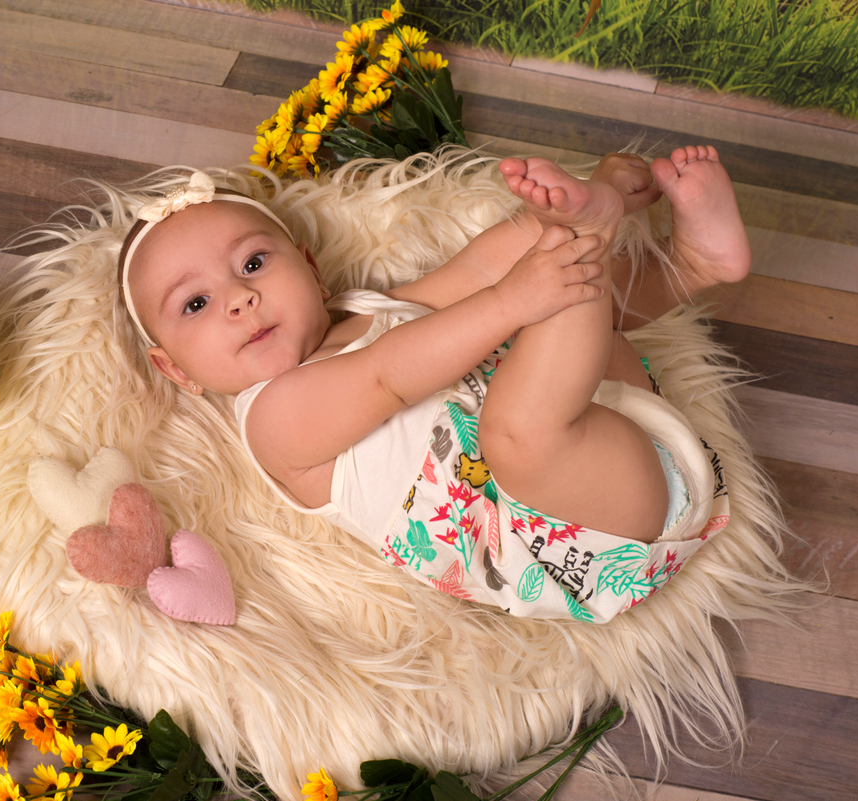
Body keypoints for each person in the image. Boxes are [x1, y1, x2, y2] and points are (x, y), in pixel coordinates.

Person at [117, 147, 744, 621]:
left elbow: (474, 269)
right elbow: (387, 374)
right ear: (176, 370)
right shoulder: (273, 417)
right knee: (516, 425)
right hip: (578, 537)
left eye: (253, 264)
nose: (240, 300)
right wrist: (512, 299)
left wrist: (544, 217)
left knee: (567, 321)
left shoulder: (367, 309)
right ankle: (592, 232)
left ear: (311, 271)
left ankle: (690, 263)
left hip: (615, 426)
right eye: (196, 304)